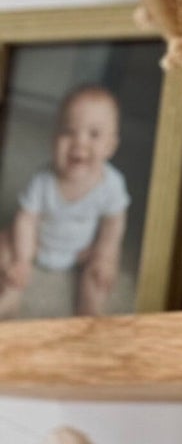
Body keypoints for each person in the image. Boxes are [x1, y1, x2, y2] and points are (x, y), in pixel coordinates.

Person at [0, 84, 130, 317]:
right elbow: (26, 220)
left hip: (83, 250)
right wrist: (22, 258)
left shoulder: (111, 184)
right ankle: (10, 294)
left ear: (110, 146)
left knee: (103, 267)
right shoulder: (43, 181)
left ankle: (90, 308)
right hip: (36, 245)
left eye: (94, 134)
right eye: (68, 131)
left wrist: (104, 255)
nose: (79, 143)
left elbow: (114, 222)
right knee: (5, 241)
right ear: (53, 140)